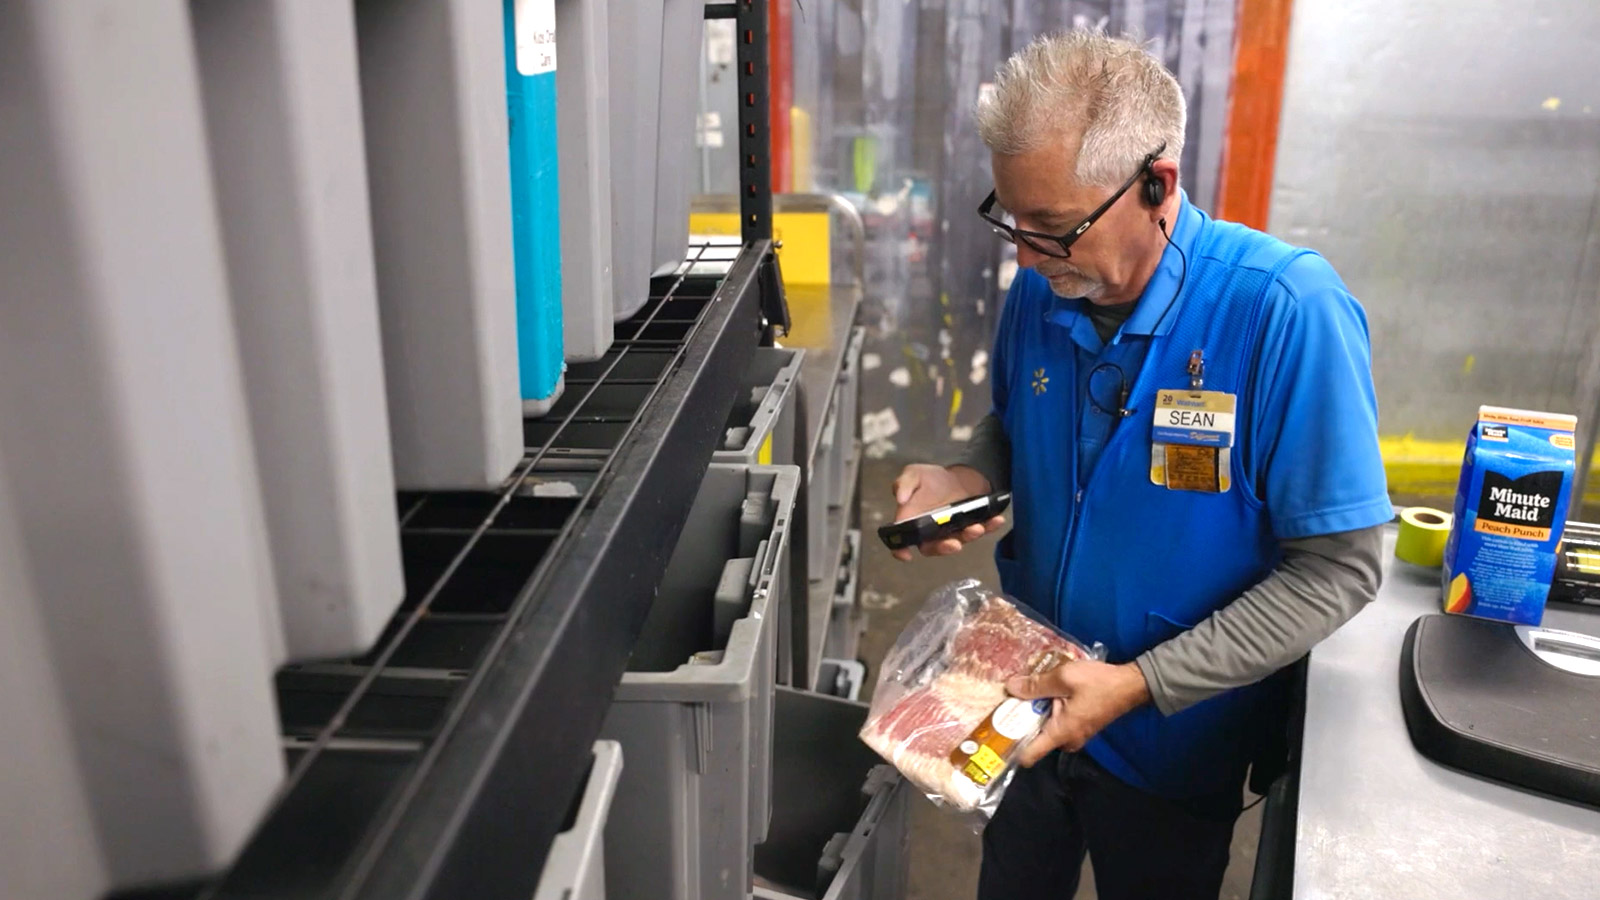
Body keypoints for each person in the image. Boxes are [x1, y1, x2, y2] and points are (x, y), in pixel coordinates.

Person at [889, 30, 1392, 900]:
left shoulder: (1282, 312)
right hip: (1023, 704)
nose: (1026, 259)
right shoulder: (1048, 291)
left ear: (1156, 184)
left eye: (1052, 229)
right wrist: (965, 478)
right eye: (1011, 222)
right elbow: (1012, 425)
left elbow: (1339, 570)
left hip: (1175, 738)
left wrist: (1139, 685)